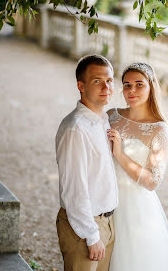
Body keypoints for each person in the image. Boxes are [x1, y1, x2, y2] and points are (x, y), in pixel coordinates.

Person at [106, 62, 168, 271]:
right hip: (104, 199)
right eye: (127, 85)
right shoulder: (112, 116)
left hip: (135, 209)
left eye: (139, 84)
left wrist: (119, 154)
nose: (132, 90)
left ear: (151, 87)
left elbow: (152, 182)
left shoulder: (159, 129)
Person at [55, 54, 118, 271]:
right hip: (85, 227)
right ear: (81, 86)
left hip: (106, 222)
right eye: (97, 81)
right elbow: (74, 188)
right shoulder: (75, 128)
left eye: (109, 80)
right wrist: (92, 235)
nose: (106, 86)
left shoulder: (103, 120)